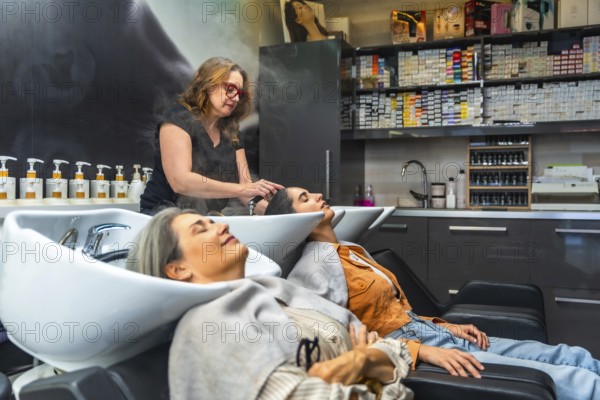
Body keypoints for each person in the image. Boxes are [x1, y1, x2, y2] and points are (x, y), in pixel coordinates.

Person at [265, 187, 600, 400]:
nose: (317, 196)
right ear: (294, 219)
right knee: (568, 379)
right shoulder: (312, 269)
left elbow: (397, 308)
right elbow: (340, 338)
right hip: (413, 350)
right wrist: (420, 351)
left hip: (431, 332)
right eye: (304, 198)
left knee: (566, 356)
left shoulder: (350, 250)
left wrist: (444, 325)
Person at [127, 207, 414, 400]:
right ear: (177, 269)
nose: (222, 225)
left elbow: (391, 349)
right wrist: (373, 367)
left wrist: (359, 360)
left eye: (213, 221)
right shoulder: (211, 324)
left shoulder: (275, 294)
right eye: (201, 230)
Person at [139, 57, 282, 216]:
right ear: (208, 85)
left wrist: (279, 213)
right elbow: (181, 182)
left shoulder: (232, 132)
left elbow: (246, 190)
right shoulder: (177, 119)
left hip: (205, 219)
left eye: (239, 93)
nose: (235, 98)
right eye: (230, 89)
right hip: (164, 217)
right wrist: (242, 189)